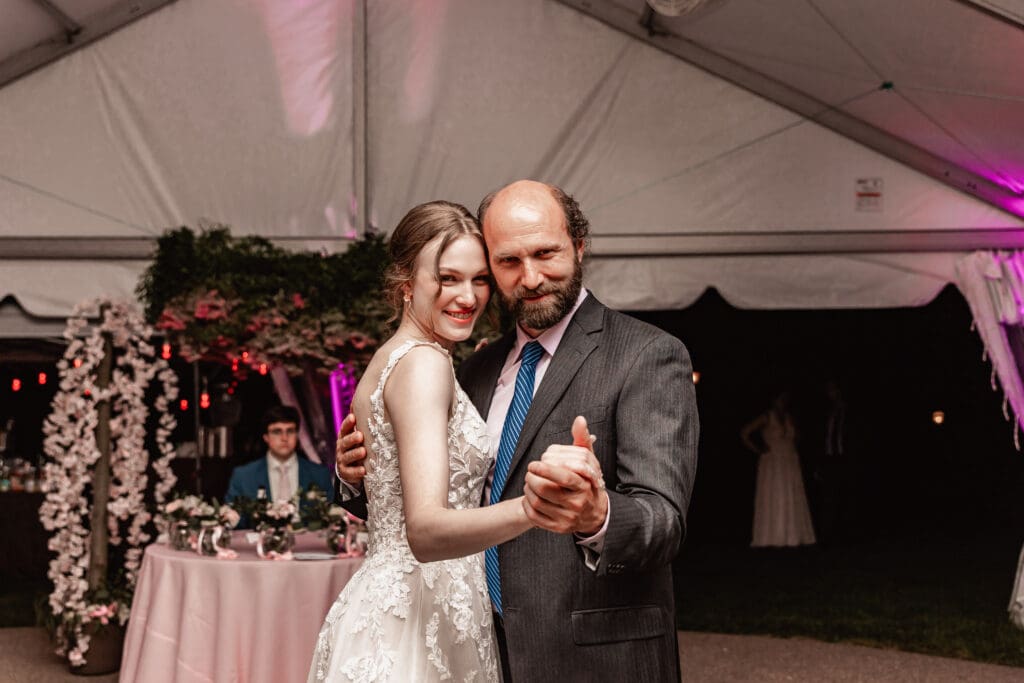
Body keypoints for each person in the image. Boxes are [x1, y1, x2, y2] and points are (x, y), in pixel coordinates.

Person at [336, 180, 699, 681]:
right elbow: (426, 503)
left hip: (590, 659)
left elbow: (664, 521)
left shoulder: (646, 354)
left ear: (579, 245)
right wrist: (357, 471)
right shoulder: (474, 368)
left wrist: (598, 515)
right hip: (472, 647)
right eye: (508, 261)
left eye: (545, 253)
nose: (530, 277)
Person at [308, 200, 595, 682]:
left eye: (479, 279)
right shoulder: (424, 364)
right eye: (447, 278)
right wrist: (535, 508)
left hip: (413, 608)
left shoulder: (407, 358)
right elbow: (424, 530)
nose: (467, 297)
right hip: (416, 622)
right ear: (405, 283)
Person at [224, 405, 334, 527]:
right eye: (277, 432)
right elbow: (232, 522)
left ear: (297, 435)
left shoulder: (319, 474)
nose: (284, 438)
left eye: (290, 431)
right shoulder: (244, 476)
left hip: (308, 538)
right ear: (266, 437)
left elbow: (331, 519)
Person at [740, 391, 816, 548]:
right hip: (773, 462)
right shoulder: (767, 416)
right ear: (774, 399)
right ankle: (773, 536)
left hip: (789, 460)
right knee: (776, 495)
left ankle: (793, 535)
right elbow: (745, 433)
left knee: (791, 494)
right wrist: (759, 449)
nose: (783, 401)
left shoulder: (788, 417)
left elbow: (798, 436)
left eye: (785, 398)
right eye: (780, 398)